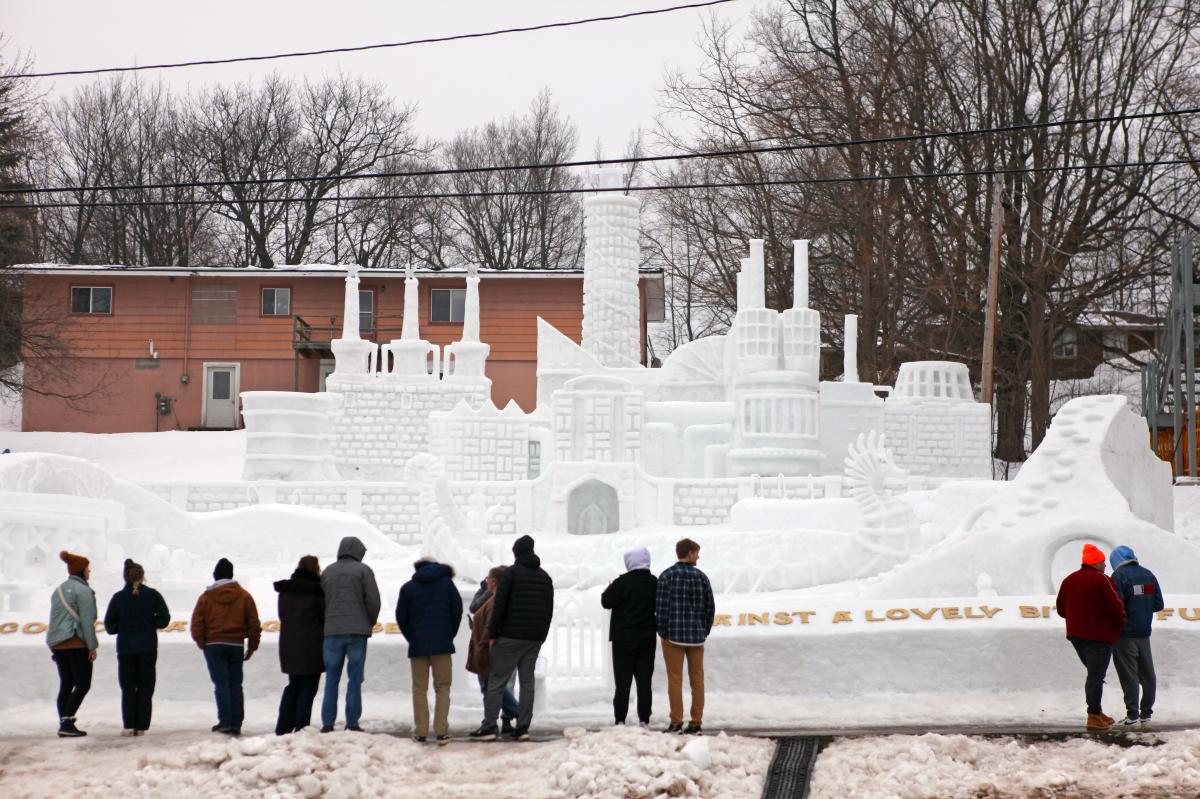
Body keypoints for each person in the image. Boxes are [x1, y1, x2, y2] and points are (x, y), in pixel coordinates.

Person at [470, 535, 554, 742]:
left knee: (496, 681)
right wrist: (541, 635)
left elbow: (500, 605)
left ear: (516, 553)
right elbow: (548, 609)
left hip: (508, 637)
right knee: (527, 683)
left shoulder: (510, 575)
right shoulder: (544, 577)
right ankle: (523, 727)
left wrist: (493, 634)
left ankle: (489, 726)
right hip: (533, 638)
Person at [1055, 543, 1127, 731]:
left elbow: (1061, 609)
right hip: (1099, 636)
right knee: (1095, 676)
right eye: (1103, 562)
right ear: (1095, 562)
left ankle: (1097, 711)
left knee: (1094, 674)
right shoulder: (1102, 580)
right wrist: (1118, 626)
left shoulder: (1069, 580)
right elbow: (1116, 607)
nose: (1105, 566)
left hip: (1076, 636)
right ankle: (1093, 715)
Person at [191, 557, 262, 736]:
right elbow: (254, 623)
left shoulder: (206, 597)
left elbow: (197, 623)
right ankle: (236, 723)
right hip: (236, 644)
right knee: (235, 684)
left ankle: (225, 722)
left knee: (221, 684)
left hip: (213, 645)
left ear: (215, 575)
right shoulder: (244, 596)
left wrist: (202, 643)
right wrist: (252, 646)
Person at [396, 558, 463, 745]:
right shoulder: (447, 584)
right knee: (442, 688)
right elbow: (456, 610)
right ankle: (441, 732)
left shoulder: (408, 588)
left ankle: (421, 732)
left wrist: (412, 637)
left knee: (419, 689)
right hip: (442, 644)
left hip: (418, 646)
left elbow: (401, 617)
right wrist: (448, 634)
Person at [103, 559, 171, 736]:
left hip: (125, 648)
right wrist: (149, 624)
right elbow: (164, 619)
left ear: (125, 578)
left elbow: (109, 627)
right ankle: (141, 726)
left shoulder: (118, 598)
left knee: (128, 687)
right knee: (146, 687)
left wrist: (124, 626)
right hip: (148, 647)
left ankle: (128, 724)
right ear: (142, 576)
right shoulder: (153, 595)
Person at [320, 536, 381, 733]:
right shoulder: (364, 571)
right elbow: (373, 601)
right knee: (354, 679)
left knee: (331, 678)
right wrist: (368, 622)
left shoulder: (328, 571)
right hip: (357, 632)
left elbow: (322, 602)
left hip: (332, 632)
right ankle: (352, 723)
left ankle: (328, 723)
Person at [656, 538, 715, 735]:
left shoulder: (667, 576)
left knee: (675, 680)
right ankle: (696, 722)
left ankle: (676, 722)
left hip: (673, 636)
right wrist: (704, 630)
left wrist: (663, 631)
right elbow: (710, 608)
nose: (698, 556)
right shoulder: (702, 577)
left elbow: (661, 608)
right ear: (689, 553)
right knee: (697, 680)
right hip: (696, 637)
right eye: (696, 552)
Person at [601, 546, 658, 727]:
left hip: (623, 639)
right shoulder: (654, 582)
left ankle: (620, 719)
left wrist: (611, 587)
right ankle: (644, 718)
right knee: (644, 681)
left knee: (623, 681)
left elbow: (606, 601)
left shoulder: (622, 582)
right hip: (646, 638)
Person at [1109, 545, 1165, 726]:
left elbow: (1116, 606)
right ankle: (1146, 712)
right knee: (1148, 674)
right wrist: (1143, 607)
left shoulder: (1118, 576)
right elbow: (1158, 604)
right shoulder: (1148, 574)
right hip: (1144, 633)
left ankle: (1132, 715)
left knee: (1129, 675)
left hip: (1124, 635)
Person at [46, 551, 99, 738]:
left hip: (57, 644)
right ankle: (67, 721)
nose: (89, 571)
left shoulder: (58, 590)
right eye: (87, 568)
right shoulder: (83, 591)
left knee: (66, 683)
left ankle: (64, 723)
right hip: (76, 643)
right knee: (83, 683)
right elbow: (86, 621)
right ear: (81, 570)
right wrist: (92, 645)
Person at [466, 566, 520, 736]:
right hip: (497, 647)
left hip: (490, 649)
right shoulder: (502, 596)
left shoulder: (496, 599)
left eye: (488, 578)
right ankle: (494, 721)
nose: (486, 581)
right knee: (495, 687)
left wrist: (482, 648)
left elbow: (487, 624)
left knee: (493, 687)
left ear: (494, 581)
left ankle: (512, 715)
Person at [274, 555, 325, 735]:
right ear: (316, 568)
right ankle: (301, 726)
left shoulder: (286, 590)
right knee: (308, 686)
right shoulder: (318, 591)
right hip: (311, 645)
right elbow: (323, 617)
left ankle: (283, 727)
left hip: (289, 644)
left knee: (293, 684)